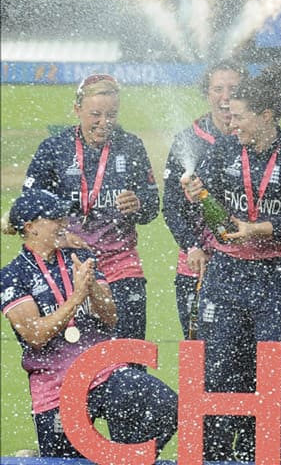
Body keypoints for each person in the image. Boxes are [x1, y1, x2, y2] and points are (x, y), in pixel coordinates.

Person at [180, 64, 281, 463]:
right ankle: (217, 455)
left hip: (277, 275)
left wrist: (256, 229)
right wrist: (197, 195)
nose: (230, 121)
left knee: (277, 368)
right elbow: (206, 210)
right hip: (227, 273)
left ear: (265, 115)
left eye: (237, 115)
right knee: (220, 366)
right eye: (228, 114)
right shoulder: (221, 150)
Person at [1, 189, 177, 458]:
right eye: (55, 218)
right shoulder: (13, 275)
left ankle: (123, 458)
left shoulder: (80, 257)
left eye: (64, 216)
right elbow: (35, 335)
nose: (64, 223)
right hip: (57, 390)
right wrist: (76, 298)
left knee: (166, 405)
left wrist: (92, 286)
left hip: (106, 374)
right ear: (31, 228)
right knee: (63, 462)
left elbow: (110, 316)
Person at [23, 74, 159, 340]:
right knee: (74, 354)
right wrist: (60, 236)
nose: (104, 123)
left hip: (121, 266)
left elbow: (153, 206)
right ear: (77, 109)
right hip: (69, 265)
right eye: (95, 114)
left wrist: (138, 204)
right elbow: (29, 206)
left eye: (112, 114)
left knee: (128, 351)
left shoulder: (131, 146)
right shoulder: (55, 148)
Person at [163, 61, 246, 338]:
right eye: (218, 89)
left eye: (233, 89)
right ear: (207, 94)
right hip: (198, 265)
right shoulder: (188, 139)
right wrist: (191, 246)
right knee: (196, 353)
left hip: (244, 265)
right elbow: (172, 207)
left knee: (244, 356)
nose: (225, 97)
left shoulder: (254, 136)